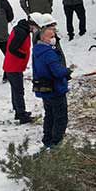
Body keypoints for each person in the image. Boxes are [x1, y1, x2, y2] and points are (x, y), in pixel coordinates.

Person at [32, 17, 71, 149]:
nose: (54, 37)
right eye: (51, 35)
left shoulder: (37, 50)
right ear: (44, 37)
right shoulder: (49, 53)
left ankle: (47, 138)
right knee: (60, 117)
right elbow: (57, 71)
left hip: (45, 90)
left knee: (49, 115)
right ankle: (56, 142)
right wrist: (67, 71)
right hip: (55, 89)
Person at [3, 15, 34, 124]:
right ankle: (22, 114)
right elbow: (12, 48)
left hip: (14, 66)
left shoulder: (21, 29)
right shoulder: (22, 32)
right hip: (14, 66)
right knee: (18, 91)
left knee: (15, 90)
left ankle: (18, 111)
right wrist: (23, 55)